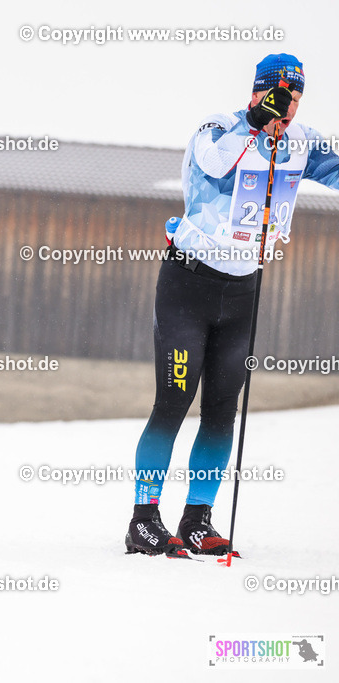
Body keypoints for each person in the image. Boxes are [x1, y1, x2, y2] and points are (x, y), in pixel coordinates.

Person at [125, 54, 339, 557]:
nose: (286, 105)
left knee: (222, 412)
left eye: (294, 96)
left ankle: (198, 519)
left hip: (242, 291)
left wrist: (282, 127)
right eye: (277, 94)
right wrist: (257, 122)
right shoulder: (219, 128)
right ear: (257, 91)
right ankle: (143, 519)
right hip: (189, 285)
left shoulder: (301, 140)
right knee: (174, 403)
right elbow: (216, 162)